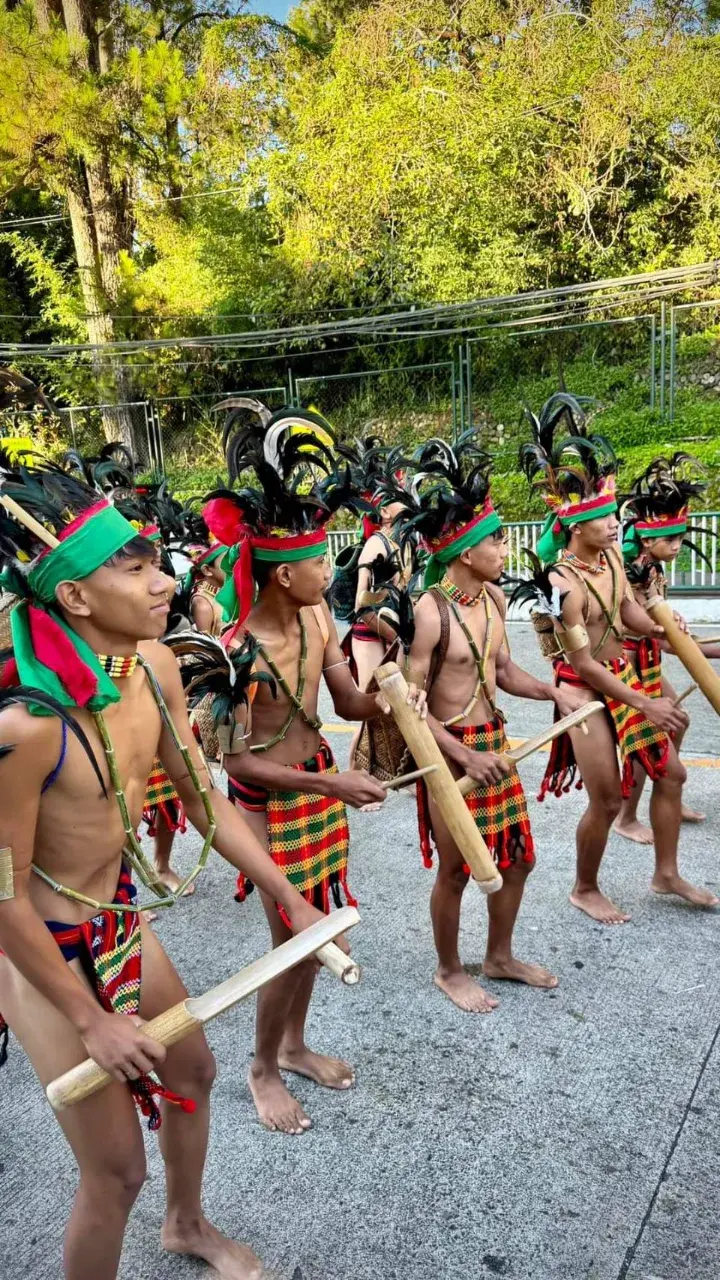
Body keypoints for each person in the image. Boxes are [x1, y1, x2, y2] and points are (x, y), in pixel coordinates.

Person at [0, 452, 342, 1280]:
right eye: (139, 569)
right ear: (75, 597)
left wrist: (285, 893)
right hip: (44, 951)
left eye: (158, 561)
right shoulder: (26, 726)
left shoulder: (152, 668)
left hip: (118, 916)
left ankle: (186, 1225)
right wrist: (91, 1020)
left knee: (193, 1071)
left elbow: (202, 800)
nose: (166, 581)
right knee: (115, 1174)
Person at [200, 404, 425, 1133]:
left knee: (315, 934)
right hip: (264, 805)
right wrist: (331, 782)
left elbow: (350, 703)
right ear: (277, 572)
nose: (328, 570)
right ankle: (262, 1066)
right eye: (316, 562)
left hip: (319, 793)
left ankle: (293, 1046)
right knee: (293, 944)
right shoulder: (234, 651)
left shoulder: (317, 618)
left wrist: (392, 697)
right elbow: (233, 761)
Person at [383, 435, 586, 1014]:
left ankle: (498, 955)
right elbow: (408, 710)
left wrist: (552, 689)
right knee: (455, 870)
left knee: (518, 857)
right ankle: (449, 970)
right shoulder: (427, 611)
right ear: (466, 552)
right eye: (495, 539)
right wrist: (463, 756)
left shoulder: (494, 599)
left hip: (493, 742)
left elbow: (502, 669)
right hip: (449, 753)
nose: (503, 547)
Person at [518, 394, 717, 925]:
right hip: (584, 691)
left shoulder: (609, 556)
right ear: (576, 528)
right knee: (605, 799)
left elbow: (629, 613)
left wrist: (666, 631)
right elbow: (582, 665)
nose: (614, 523)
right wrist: (645, 703)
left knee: (670, 773)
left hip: (622, 676)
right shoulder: (560, 582)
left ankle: (666, 873)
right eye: (604, 517)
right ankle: (584, 887)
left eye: (612, 514)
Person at [614, 453, 720, 842]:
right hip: (628, 663)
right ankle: (625, 817)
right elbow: (659, 634)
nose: (677, 546)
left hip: (650, 657)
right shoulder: (626, 573)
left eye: (680, 538)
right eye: (670, 539)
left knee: (679, 722)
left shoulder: (653, 570)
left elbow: (665, 635)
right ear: (645, 538)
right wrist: (703, 650)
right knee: (644, 742)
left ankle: (667, 798)